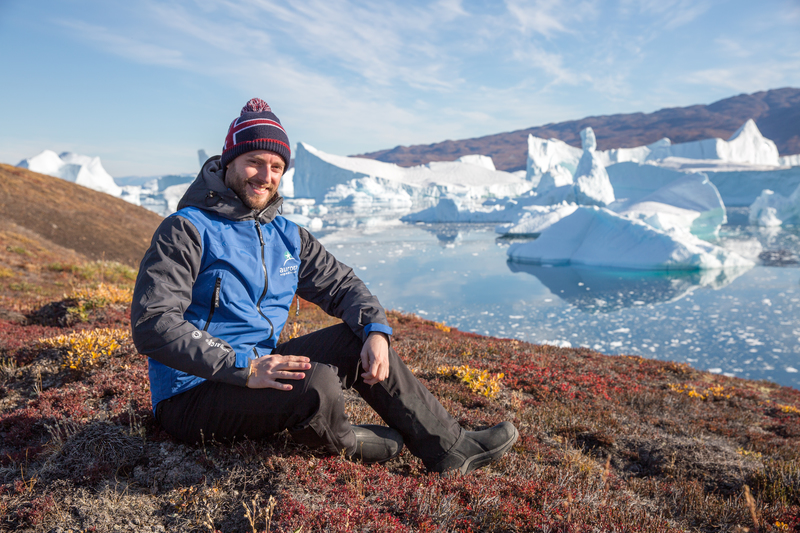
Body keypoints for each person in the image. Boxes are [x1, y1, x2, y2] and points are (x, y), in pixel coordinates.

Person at [131, 98, 518, 473]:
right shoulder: (187, 230)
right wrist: (244, 366)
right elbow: (154, 323)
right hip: (191, 395)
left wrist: (375, 330)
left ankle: (448, 447)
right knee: (316, 382)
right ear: (229, 161)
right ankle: (345, 440)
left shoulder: (287, 236)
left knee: (354, 339)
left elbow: (343, 286)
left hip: (259, 372)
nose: (266, 177)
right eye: (254, 162)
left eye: (276, 166)